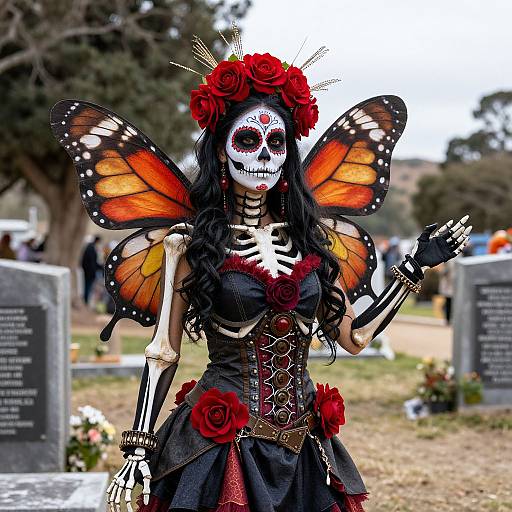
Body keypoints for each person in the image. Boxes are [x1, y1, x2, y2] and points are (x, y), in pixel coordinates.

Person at [51, 30, 471, 512]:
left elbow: (354, 338)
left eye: (277, 141)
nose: (265, 155)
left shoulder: (313, 239)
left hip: (305, 445)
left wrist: (413, 268)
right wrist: (136, 450)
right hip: (222, 445)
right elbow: (162, 353)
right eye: (248, 140)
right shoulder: (191, 245)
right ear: (223, 151)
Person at [81, 235, 102, 305]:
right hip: (90, 272)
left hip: (87, 271)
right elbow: (92, 262)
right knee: (88, 286)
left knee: (87, 286)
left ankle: (86, 300)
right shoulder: (92, 248)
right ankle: (85, 300)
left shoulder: (89, 247)